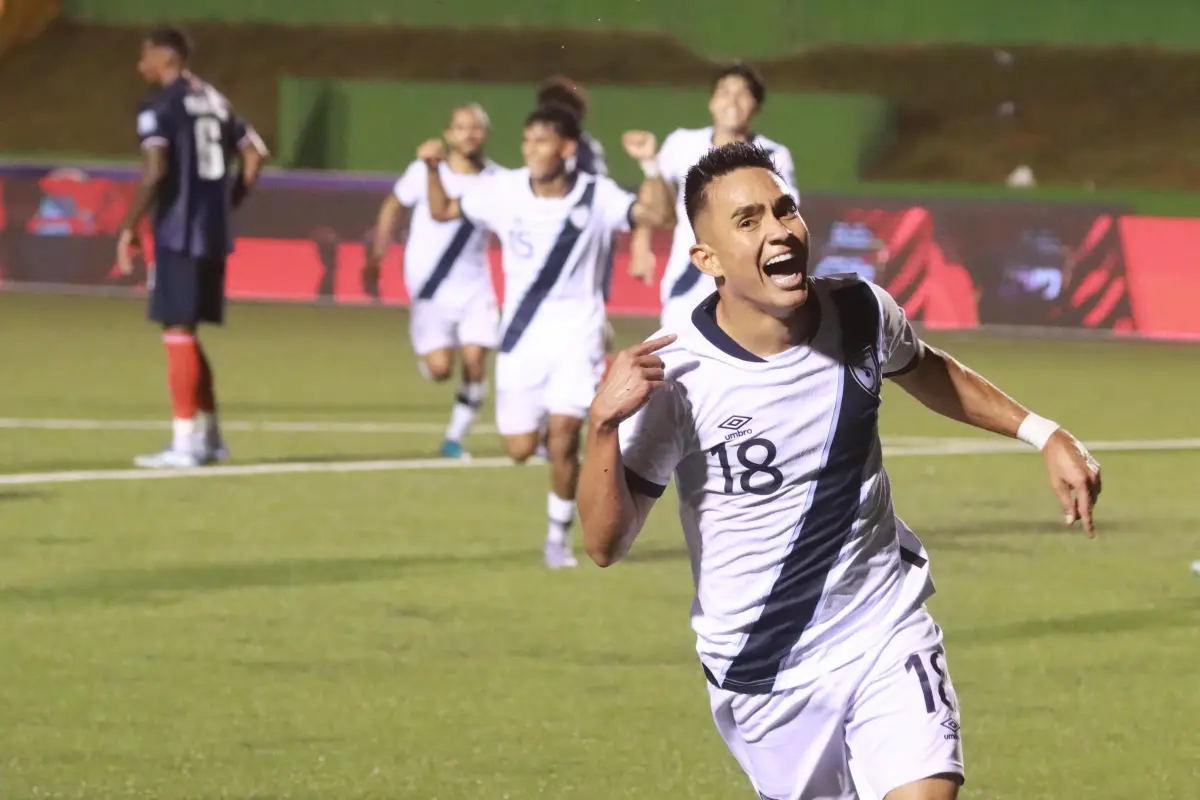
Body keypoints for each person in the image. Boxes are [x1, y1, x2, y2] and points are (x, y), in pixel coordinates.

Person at [578, 142, 1102, 800]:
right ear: (706, 260)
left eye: (785, 210)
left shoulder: (859, 311)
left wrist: (1042, 433)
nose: (779, 230)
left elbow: (927, 369)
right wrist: (602, 427)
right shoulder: (680, 374)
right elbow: (604, 542)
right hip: (764, 668)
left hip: (881, 623)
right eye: (748, 222)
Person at [419, 103, 672, 568]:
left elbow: (656, 213)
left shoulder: (597, 195)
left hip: (577, 338)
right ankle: (541, 454)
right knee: (518, 448)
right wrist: (433, 167)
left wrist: (650, 164)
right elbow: (442, 210)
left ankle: (557, 538)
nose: (532, 150)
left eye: (542, 141)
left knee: (564, 437)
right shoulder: (503, 190)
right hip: (521, 339)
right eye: (527, 141)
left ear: (567, 148)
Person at [117, 26, 267, 468]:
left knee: (177, 331)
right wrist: (227, 201)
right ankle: (211, 436)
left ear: (163, 59)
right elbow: (256, 153)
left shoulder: (159, 106)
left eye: (144, 56)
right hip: (213, 230)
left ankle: (185, 444)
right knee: (187, 332)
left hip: (178, 230)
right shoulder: (215, 100)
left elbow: (155, 169)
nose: (139, 65)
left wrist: (129, 227)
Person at [366, 103, 501, 459]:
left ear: (485, 134)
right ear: (448, 133)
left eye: (475, 128)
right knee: (441, 369)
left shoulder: (498, 180)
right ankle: (430, 362)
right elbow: (393, 205)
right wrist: (377, 254)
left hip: (475, 285)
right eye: (460, 127)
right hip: (430, 285)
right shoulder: (424, 171)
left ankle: (454, 440)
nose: (468, 134)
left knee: (475, 360)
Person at [626, 61, 797, 332]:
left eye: (742, 93)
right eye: (724, 91)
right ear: (712, 101)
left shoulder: (775, 155)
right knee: (675, 369)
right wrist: (641, 241)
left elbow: (786, 217)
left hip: (747, 286)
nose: (732, 100)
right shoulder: (682, 143)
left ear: (756, 105)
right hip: (688, 281)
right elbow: (657, 202)